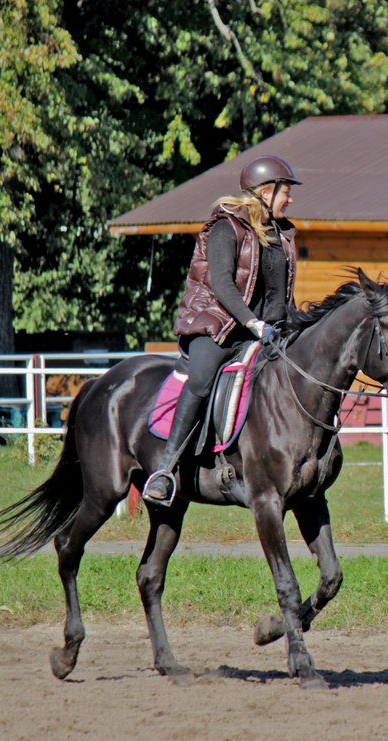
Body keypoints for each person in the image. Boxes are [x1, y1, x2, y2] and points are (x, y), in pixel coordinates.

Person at [141, 155, 302, 507]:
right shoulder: (225, 228)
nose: (290, 199)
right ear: (265, 192)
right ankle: (165, 469)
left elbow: (282, 293)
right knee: (201, 378)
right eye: (285, 192)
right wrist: (253, 323)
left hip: (263, 332)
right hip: (217, 325)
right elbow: (225, 287)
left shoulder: (284, 234)